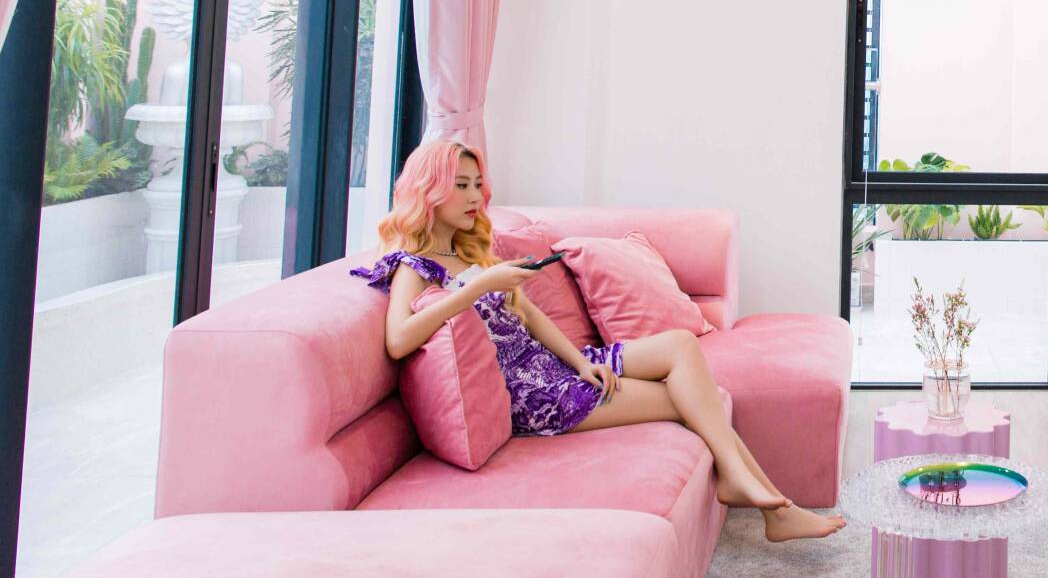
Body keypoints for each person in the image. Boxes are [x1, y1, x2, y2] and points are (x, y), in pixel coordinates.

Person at [353, 138, 845, 542]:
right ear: (430, 191)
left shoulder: (472, 254)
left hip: (555, 368)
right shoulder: (414, 268)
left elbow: (532, 317)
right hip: (530, 396)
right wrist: (478, 288)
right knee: (697, 399)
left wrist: (580, 362)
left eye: (478, 185)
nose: (474, 196)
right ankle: (774, 509)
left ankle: (756, 494)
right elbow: (398, 340)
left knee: (680, 345)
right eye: (461, 185)